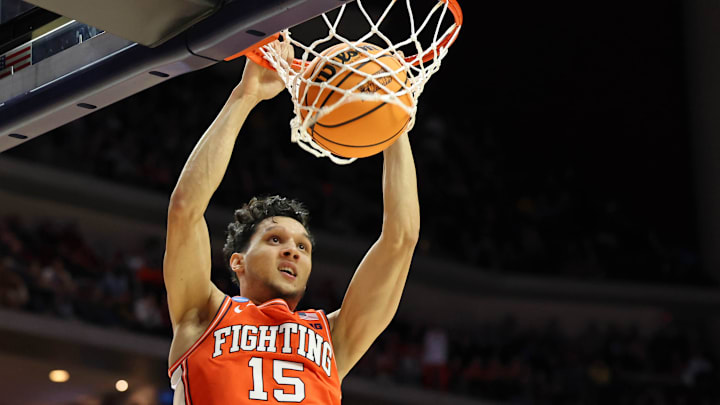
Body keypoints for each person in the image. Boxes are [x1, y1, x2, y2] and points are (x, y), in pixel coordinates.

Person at [163, 38, 420, 404]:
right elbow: (185, 208)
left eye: (302, 246)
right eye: (274, 240)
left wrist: (393, 113)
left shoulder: (333, 337)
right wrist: (245, 95)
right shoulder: (202, 316)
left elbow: (401, 238)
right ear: (238, 261)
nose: (293, 252)